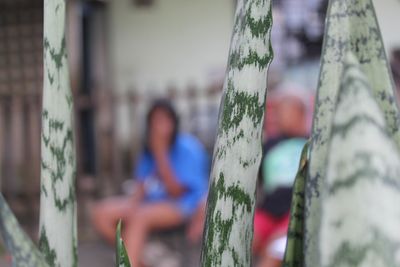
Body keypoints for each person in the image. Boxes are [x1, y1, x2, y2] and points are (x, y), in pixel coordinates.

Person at [91, 99, 209, 266]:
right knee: (101, 212)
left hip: (182, 205)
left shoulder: (188, 148)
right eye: (155, 121)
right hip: (151, 203)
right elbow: (141, 186)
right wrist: (131, 204)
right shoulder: (149, 149)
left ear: (173, 122)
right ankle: (144, 256)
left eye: (163, 120)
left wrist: (161, 154)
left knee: (140, 218)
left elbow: (176, 191)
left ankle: (133, 258)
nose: (158, 126)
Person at [253, 87, 310, 259]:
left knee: (273, 253)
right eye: (279, 111)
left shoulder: (312, 143)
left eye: (286, 110)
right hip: (268, 211)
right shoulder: (269, 145)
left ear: (300, 112)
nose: (280, 116)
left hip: (296, 212)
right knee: (243, 240)